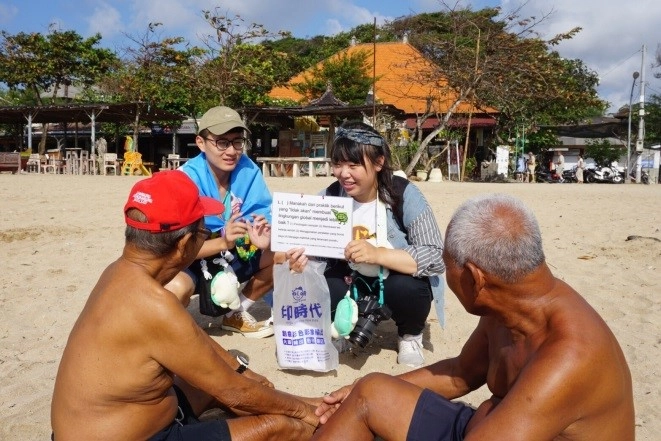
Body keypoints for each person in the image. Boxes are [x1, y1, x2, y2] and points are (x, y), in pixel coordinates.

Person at [311, 193, 635, 441]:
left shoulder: (569, 357)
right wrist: (350, 392)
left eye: (446, 265)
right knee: (368, 392)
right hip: (483, 426)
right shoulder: (511, 303)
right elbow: (459, 374)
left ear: (474, 278)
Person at [51, 171, 319, 441]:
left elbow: (191, 337)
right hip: (136, 435)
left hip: (122, 419)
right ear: (183, 244)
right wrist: (306, 412)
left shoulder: (117, 272)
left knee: (221, 388)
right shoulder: (154, 306)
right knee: (285, 427)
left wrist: (243, 371)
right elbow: (236, 394)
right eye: (203, 232)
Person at [283, 122, 445, 367]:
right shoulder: (329, 197)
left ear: (379, 163)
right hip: (351, 278)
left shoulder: (405, 194)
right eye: (337, 164)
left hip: (391, 277)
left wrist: (377, 254)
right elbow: (310, 251)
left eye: (354, 164)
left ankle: (410, 336)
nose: (343, 173)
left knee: (409, 289)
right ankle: (342, 328)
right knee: (321, 286)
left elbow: (434, 256)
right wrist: (297, 262)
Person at [166, 106, 275, 338]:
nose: (231, 151)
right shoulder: (184, 180)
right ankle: (175, 334)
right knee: (175, 289)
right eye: (222, 142)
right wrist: (223, 241)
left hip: (235, 250)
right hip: (193, 257)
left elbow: (264, 213)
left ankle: (236, 313)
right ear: (201, 142)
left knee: (283, 253)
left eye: (237, 142)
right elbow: (175, 249)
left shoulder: (249, 170)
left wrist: (264, 235)